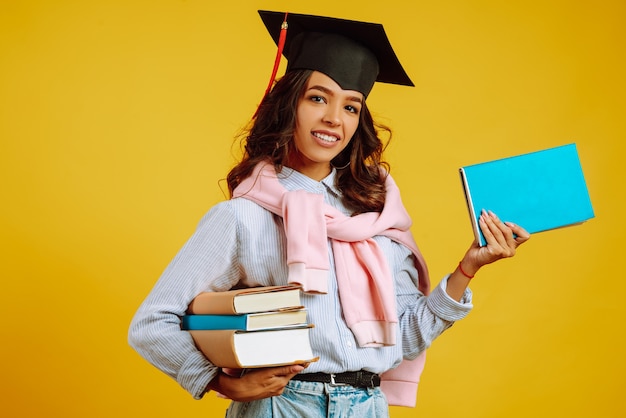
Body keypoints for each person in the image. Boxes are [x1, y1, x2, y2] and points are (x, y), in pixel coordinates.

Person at [128, 10, 530, 417]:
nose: (333, 119)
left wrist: (466, 269)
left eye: (351, 107)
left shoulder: (378, 215)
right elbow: (152, 323)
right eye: (318, 98)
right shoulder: (242, 216)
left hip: (368, 406)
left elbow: (403, 340)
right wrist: (221, 381)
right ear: (289, 104)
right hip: (282, 406)